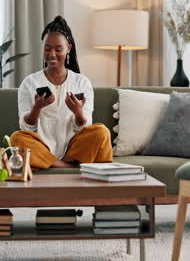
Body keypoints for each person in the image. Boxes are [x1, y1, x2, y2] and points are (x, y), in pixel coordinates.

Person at [11, 15, 113, 169]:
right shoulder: (29, 82)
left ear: (68, 49)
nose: (52, 54)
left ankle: (54, 163)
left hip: (74, 149)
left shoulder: (82, 82)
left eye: (58, 49)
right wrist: (37, 108)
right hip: (42, 147)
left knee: (101, 132)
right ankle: (66, 166)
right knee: (17, 138)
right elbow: (26, 128)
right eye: (47, 48)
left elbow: (85, 128)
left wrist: (78, 112)